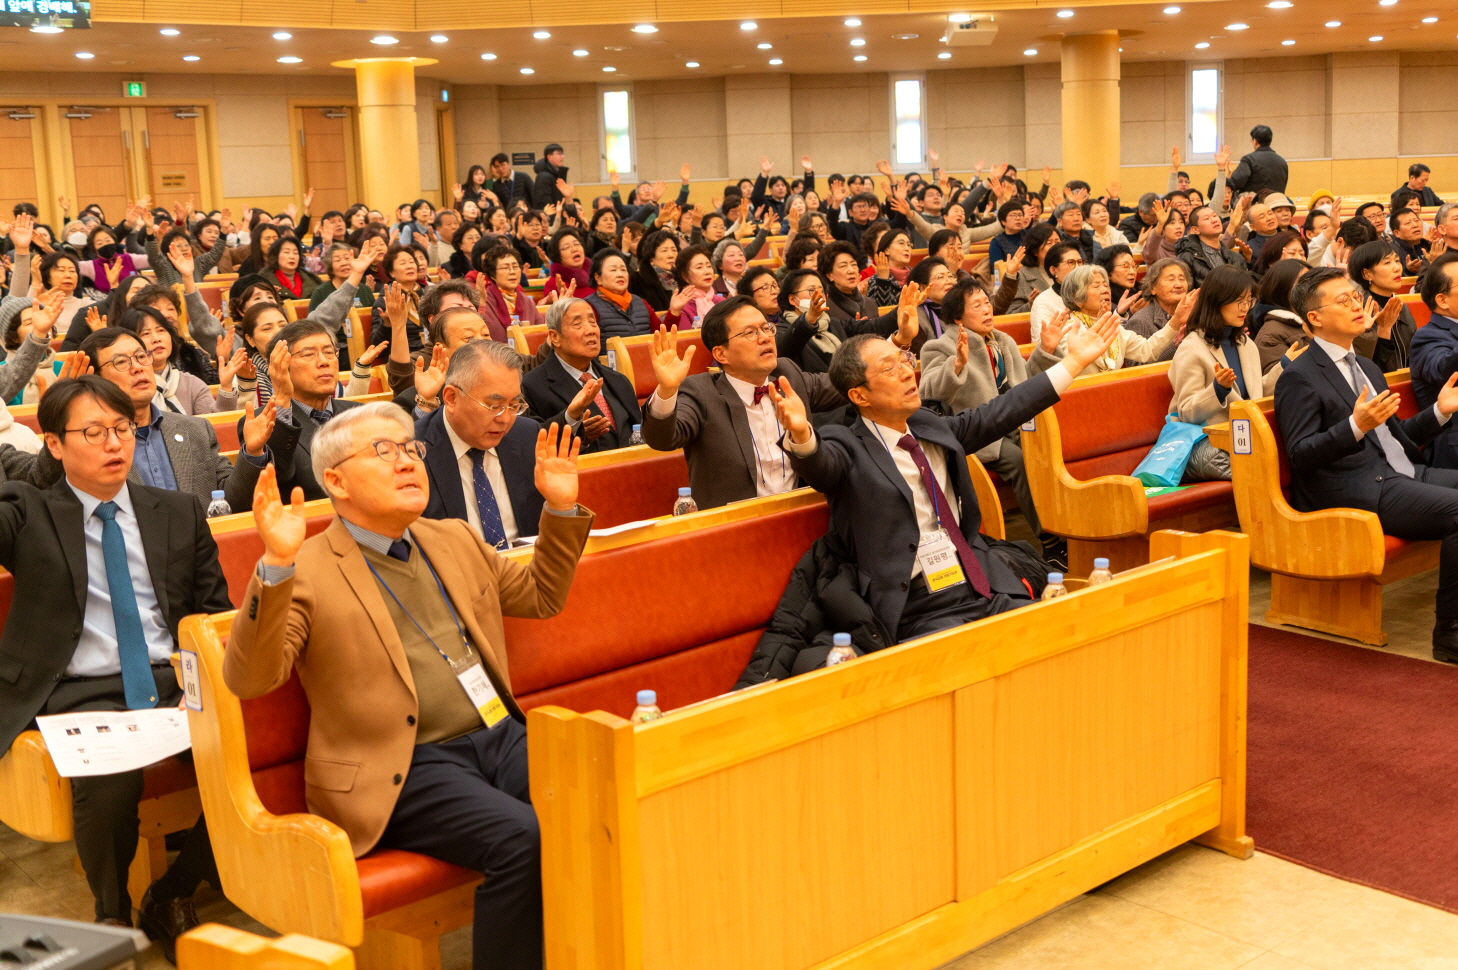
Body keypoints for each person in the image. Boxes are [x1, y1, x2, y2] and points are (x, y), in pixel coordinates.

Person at [224, 405, 592, 970]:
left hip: (498, 734)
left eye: (410, 448)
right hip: (402, 766)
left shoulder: (453, 538)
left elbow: (542, 595)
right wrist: (275, 562)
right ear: (336, 481)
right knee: (520, 837)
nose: (407, 462)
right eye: (383, 451)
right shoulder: (309, 567)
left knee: (600, 796)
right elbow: (251, 679)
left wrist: (561, 507)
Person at [0, 376, 230, 958]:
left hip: (172, 681)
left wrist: (198, 685)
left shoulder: (177, 511)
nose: (114, 445)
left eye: (123, 429)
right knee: (108, 782)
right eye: (93, 432)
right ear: (53, 444)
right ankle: (111, 916)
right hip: (80, 691)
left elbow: (214, 613)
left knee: (261, 756)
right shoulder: (28, 512)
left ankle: (174, 891)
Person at [768, 314, 1121, 642]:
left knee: (1059, 634)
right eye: (889, 369)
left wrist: (1073, 363)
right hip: (918, 604)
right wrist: (802, 434)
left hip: (977, 580)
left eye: (905, 361)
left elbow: (1004, 410)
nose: (908, 373)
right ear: (859, 395)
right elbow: (821, 467)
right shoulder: (846, 445)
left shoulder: (929, 424)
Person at [1276, 266, 1458, 662]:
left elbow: (1396, 437)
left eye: (1356, 297)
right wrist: (1355, 425)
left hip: (1402, 472)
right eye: (1343, 301)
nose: (1358, 305)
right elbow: (1301, 454)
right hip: (1357, 485)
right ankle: (1450, 634)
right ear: (1315, 318)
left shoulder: (1368, 366)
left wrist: (1440, 413)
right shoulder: (1300, 377)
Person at [642, 293, 917, 510]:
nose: (764, 337)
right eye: (750, 333)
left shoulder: (787, 375)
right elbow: (662, 440)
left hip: (801, 514)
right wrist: (667, 390)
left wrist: (898, 343)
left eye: (766, 328)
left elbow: (847, 380)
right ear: (721, 354)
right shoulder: (701, 392)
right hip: (735, 527)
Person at [32, 328, 272, 511]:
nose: (137, 367)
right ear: (95, 378)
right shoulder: (88, 441)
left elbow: (230, 504)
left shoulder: (195, 429)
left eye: (140, 357)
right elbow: (45, 486)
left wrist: (251, 451)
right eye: (121, 362)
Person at [918, 277, 1065, 544]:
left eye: (987, 302)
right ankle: (1050, 539)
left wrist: (1046, 350)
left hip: (1015, 422)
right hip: (977, 432)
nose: (987, 309)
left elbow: (1026, 385)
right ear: (958, 318)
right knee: (1020, 462)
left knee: (1049, 450)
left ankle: (1071, 526)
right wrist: (957, 364)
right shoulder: (938, 347)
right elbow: (928, 394)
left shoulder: (1002, 342)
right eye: (977, 305)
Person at [417, 340, 545, 546]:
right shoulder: (413, 451)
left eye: (514, 405)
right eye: (494, 405)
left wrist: (560, 506)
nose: (505, 419)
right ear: (451, 398)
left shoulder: (528, 436)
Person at [1168, 265, 1271, 482]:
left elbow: (1253, 395)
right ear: (1217, 301)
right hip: (1215, 442)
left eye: (1249, 301)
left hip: (1246, 435)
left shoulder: (1245, 343)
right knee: (1259, 473)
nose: (1245, 308)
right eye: (1239, 301)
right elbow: (1187, 412)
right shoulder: (1192, 347)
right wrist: (1218, 390)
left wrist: (1287, 368)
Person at [250, 320, 363, 501]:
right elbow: (277, 480)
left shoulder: (360, 414)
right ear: (282, 366)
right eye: (308, 354)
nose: (324, 362)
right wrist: (280, 399)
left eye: (329, 352)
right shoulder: (260, 422)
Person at [522, 297, 641, 453]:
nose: (591, 330)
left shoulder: (617, 379)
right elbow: (531, 441)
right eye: (577, 324)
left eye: (593, 322)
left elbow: (639, 430)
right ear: (555, 337)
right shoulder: (532, 385)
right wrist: (570, 420)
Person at [1056, 265, 1187, 374]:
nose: (1105, 290)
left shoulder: (1114, 327)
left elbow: (1148, 350)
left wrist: (1176, 320)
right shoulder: (1068, 330)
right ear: (1077, 298)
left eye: (1106, 285)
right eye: (1096, 286)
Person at [1348, 239, 1416, 372]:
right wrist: (1383, 331)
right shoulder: (1360, 311)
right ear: (1367, 274)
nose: (1397, 268)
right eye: (1387, 262)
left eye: (1397, 260)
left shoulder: (1401, 306)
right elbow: (1366, 366)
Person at [1123, 257, 1189, 365]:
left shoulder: (1195, 316)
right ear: (1152, 288)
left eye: (1182, 279)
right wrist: (1175, 344)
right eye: (1171, 279)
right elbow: (1137, 370)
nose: (1179, 285)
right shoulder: (1140, 321)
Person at [1252, 258, 1312, 375]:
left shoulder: (1319, 320)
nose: (1311, 288)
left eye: (1312, 282)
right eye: (1302, 283)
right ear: (1281, 288)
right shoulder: (1270, 336)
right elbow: (1278, 384)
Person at [583, 248, 656, 338]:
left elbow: (663, 335)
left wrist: (673, 312)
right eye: (613, 270)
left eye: (623, 269)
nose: (620, 274)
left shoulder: (641, 303)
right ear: (598, 278)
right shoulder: (589, 306)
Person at [477, 245, 543, 341]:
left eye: (515, 267)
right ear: (492, 274)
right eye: (505, 268)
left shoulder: (527, 301)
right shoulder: (485, 300)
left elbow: (540, 332)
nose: (512, 272)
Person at [1175, 206, 1248, 288]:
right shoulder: (1186, 258)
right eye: (1206, 218)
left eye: (1215, 215)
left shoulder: (1237, 258)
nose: (1214, 220)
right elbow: (1185, 291)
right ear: (1195, 230)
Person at [1228, 124, 1288, 195]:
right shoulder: (1282, 162)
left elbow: (1235, 183)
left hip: (1255, 204)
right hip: (1276, 204)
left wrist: (1230, 174)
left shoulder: (1249, 160)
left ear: (1255, 141)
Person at [532, 143, 569, 209]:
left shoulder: (557, 174)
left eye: (562, 154)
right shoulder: (544, 177)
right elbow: (545, 203)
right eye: (559, 154)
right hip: (551, 216)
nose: (562, 156)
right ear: (549, 157)